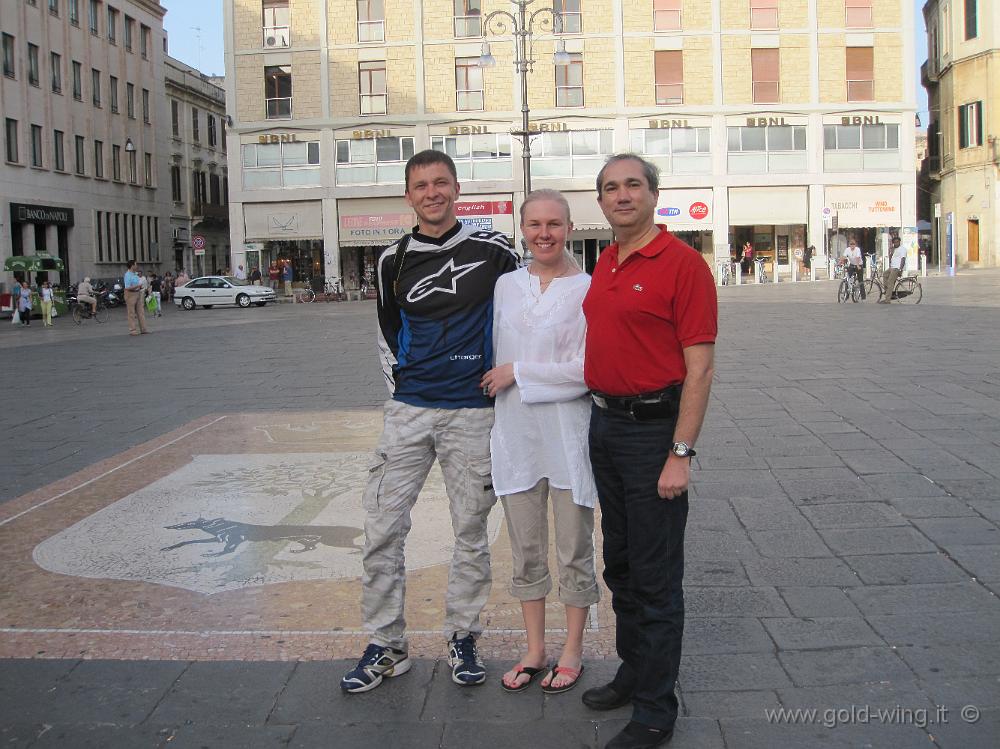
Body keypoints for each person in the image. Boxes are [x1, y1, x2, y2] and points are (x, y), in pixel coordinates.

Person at [340, 149, 518, 694]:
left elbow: (520, 315)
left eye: (441, 183)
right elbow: (387, 333)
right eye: (421, 185)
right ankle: (386, 645)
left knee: (471, 532)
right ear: (409, 194)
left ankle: (463, 635)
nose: (432, 193)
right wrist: (405, 395)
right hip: (410, 413)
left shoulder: (495, 252)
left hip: (473, 414)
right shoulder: (390, 260)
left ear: (457, 188)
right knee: (382, 528)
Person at [581, 155, 717, 749]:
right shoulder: (605, 260)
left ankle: (657, 710)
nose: (621, 195)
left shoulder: (683, 265)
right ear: (602, 202)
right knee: (621, 565)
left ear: (654, 194)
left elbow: (701, 368)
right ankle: (635, 672)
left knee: (657, 577)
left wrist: (680, 452)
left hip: (653, 432)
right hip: (605, 427)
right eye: (610, 188)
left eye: (632, 184)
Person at [480, 190, 598, 696]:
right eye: (534, 224)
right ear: (521, 228)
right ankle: (534, 649)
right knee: (526, 549)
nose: (544, 233)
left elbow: (588, 372)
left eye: (554, 223)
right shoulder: (506, 286)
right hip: (515, 436)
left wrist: (517, 372)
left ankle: (572, 650)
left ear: (569, 227)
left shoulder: (590, 290)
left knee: (574, 548)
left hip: (568, 436)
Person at [123, 259, 149, 336]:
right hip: (130, 294)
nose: (137, 266)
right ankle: (133, 330)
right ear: (132, 266)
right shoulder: (127, 275)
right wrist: (138, 285)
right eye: (135, 264)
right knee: (131, 313)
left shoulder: (135, 274)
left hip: (137, 293)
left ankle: (143, 329)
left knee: (141, 312)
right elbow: (127, 287)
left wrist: (140, 287)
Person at [878, 236, 906, 304]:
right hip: (892, 267)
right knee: (884, 274)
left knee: (890, 282)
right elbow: (890, 258)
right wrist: (891, 252)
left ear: (899, 242)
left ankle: (887, 300)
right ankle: (888, 291)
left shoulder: (902, 249)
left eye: (897, 242)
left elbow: (903, 259)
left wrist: (900, 269)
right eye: (894, 242)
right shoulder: (894, 249)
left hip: (897, 268)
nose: (896, 243)